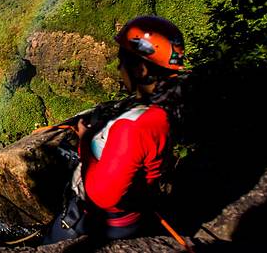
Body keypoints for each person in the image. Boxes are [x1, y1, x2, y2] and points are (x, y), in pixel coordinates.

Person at [44, 15, 187, 243]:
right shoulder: (166, 108)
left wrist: (85, 139)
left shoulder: (133, 126)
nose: (119, 67)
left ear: (140, 69)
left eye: (122, 61)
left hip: (98, 224)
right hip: (132, 216)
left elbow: (102, 196)